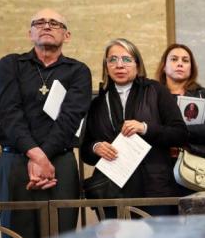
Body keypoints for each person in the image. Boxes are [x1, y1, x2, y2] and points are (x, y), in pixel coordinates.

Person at [0, 8, 91, 238]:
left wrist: (43, 157)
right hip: (15, 160)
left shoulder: (78, 71)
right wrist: (35, 154)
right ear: (30, 33)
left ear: (67, 35)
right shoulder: (10, 65)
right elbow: (9, 113)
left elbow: (70, 118)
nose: (47, 26)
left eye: (55, 23)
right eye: (40, 22)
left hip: (60, 161)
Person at [80, 38, 188, 214]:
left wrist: (145, 128)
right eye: (112, 60)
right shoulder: (97, 102)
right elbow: (85, 149)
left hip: (154, 188)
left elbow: (180, 134)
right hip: (112, 191)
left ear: (137, 64)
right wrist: (96, 147)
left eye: (126, 59)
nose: (119, 65)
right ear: (106, 66)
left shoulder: (156, 91)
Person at [154, 43, 205, 161]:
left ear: (191, 68)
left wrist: (176, 132)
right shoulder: (152, 95)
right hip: (160, 165)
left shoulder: (204, 95)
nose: (180, 63)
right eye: (174, 59)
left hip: (196, 165)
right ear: (164, 66)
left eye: (185, 61)